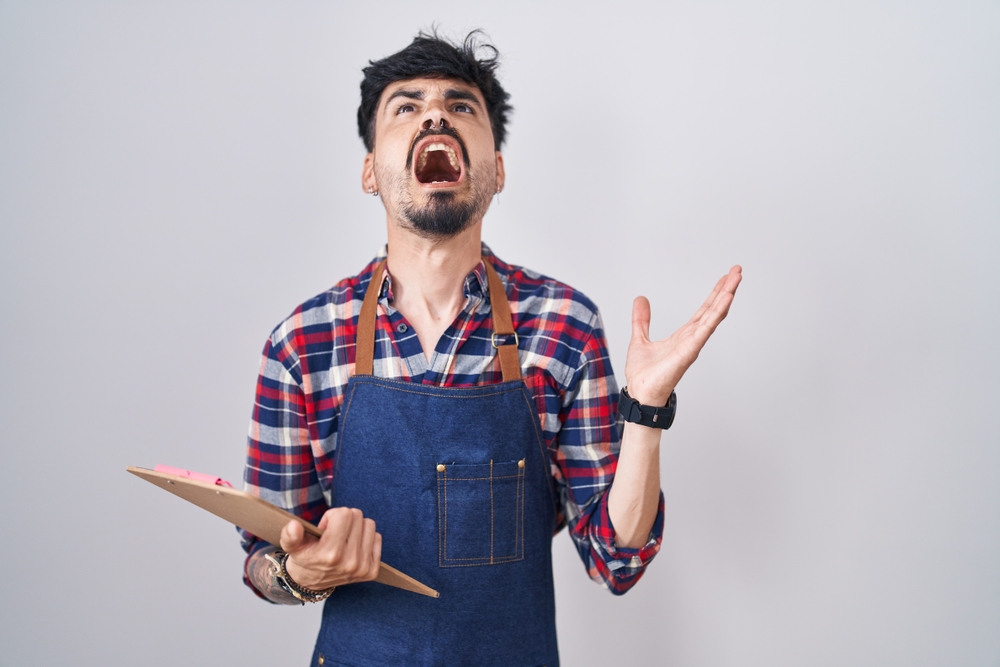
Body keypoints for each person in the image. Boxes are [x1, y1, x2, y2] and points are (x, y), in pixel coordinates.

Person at [239, 30, 741, 667]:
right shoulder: (302, 344)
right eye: (406, 106)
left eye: (461, 105)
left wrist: (645, 411)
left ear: (496, 170)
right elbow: (262, 555)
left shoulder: (563, 326)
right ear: (370, 170)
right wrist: (299, 574)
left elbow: (616, 560)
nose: (434, 115)